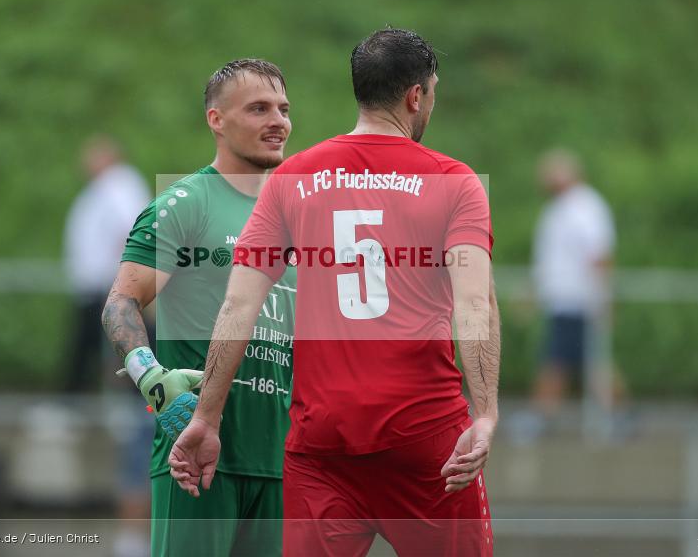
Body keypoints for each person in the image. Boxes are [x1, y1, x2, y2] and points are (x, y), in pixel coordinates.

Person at [171, 29, 500, 557]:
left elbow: (238, 306)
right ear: (416, 95)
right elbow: (475, 302)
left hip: (322, 445)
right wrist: (484, 414)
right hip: (426, 438)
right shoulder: (454, 181)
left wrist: (206, 417)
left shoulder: (291, 178)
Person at [101, 59, 296, 557]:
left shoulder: (297, 216)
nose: (277, 121)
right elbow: (121, 302)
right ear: (217, 119)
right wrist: (151, 379)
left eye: (283, 109)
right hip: (198, 457)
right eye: (258, 108)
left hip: (283, 464)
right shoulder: (186, 203)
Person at [528, 148, 622, 428]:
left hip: (578, 300)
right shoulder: (561, 207)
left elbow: (600, 255)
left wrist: (603, 298)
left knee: (561, 361)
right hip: (564, 300)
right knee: (589, 364)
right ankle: (618, 415)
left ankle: (542, 417)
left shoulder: (585, 206)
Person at [63, 135, 151, 392]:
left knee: (112, 349)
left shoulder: (119, 185)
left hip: (107, 286)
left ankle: (135, 410)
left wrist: (121, 281)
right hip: (96, 286)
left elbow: (129, 230)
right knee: (93, 348)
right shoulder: (107, 187)